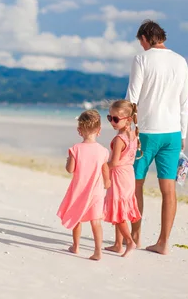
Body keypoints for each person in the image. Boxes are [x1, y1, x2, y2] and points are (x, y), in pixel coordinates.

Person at [125, 19, 188, 255]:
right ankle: (163, 243)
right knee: (169, 190)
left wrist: (127, 130)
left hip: (146, 132)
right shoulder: (181, 61)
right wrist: (183, 134)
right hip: (172, 133)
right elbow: (184, 102)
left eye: (140, 42)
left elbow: (132, 98)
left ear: (144, 38)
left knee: (136, 185)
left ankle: (135, 236)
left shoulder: (141, 59)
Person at [56, 110, 111, 261]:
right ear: (99, 131)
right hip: (96, 192)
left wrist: (69, 159)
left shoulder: (76, 149)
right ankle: (98, 251)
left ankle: (76, 246)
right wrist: (107, 182)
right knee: (96, 222)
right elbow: (105, 168)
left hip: (79, 191)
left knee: (77, 218)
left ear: (79, 131)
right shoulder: (103, 151)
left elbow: (70, 169)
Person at [103, 100, 142, 258]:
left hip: (119, 176)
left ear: (128, 119)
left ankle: (129, 241)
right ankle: (118, 244)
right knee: (119, 208)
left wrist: (102, 166)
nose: (112, 122)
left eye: (116, 119)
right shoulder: (133, 135)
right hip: (129, 175)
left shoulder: (119, 139)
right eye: (109, 118)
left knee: (118, 212)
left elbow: (114, 162)